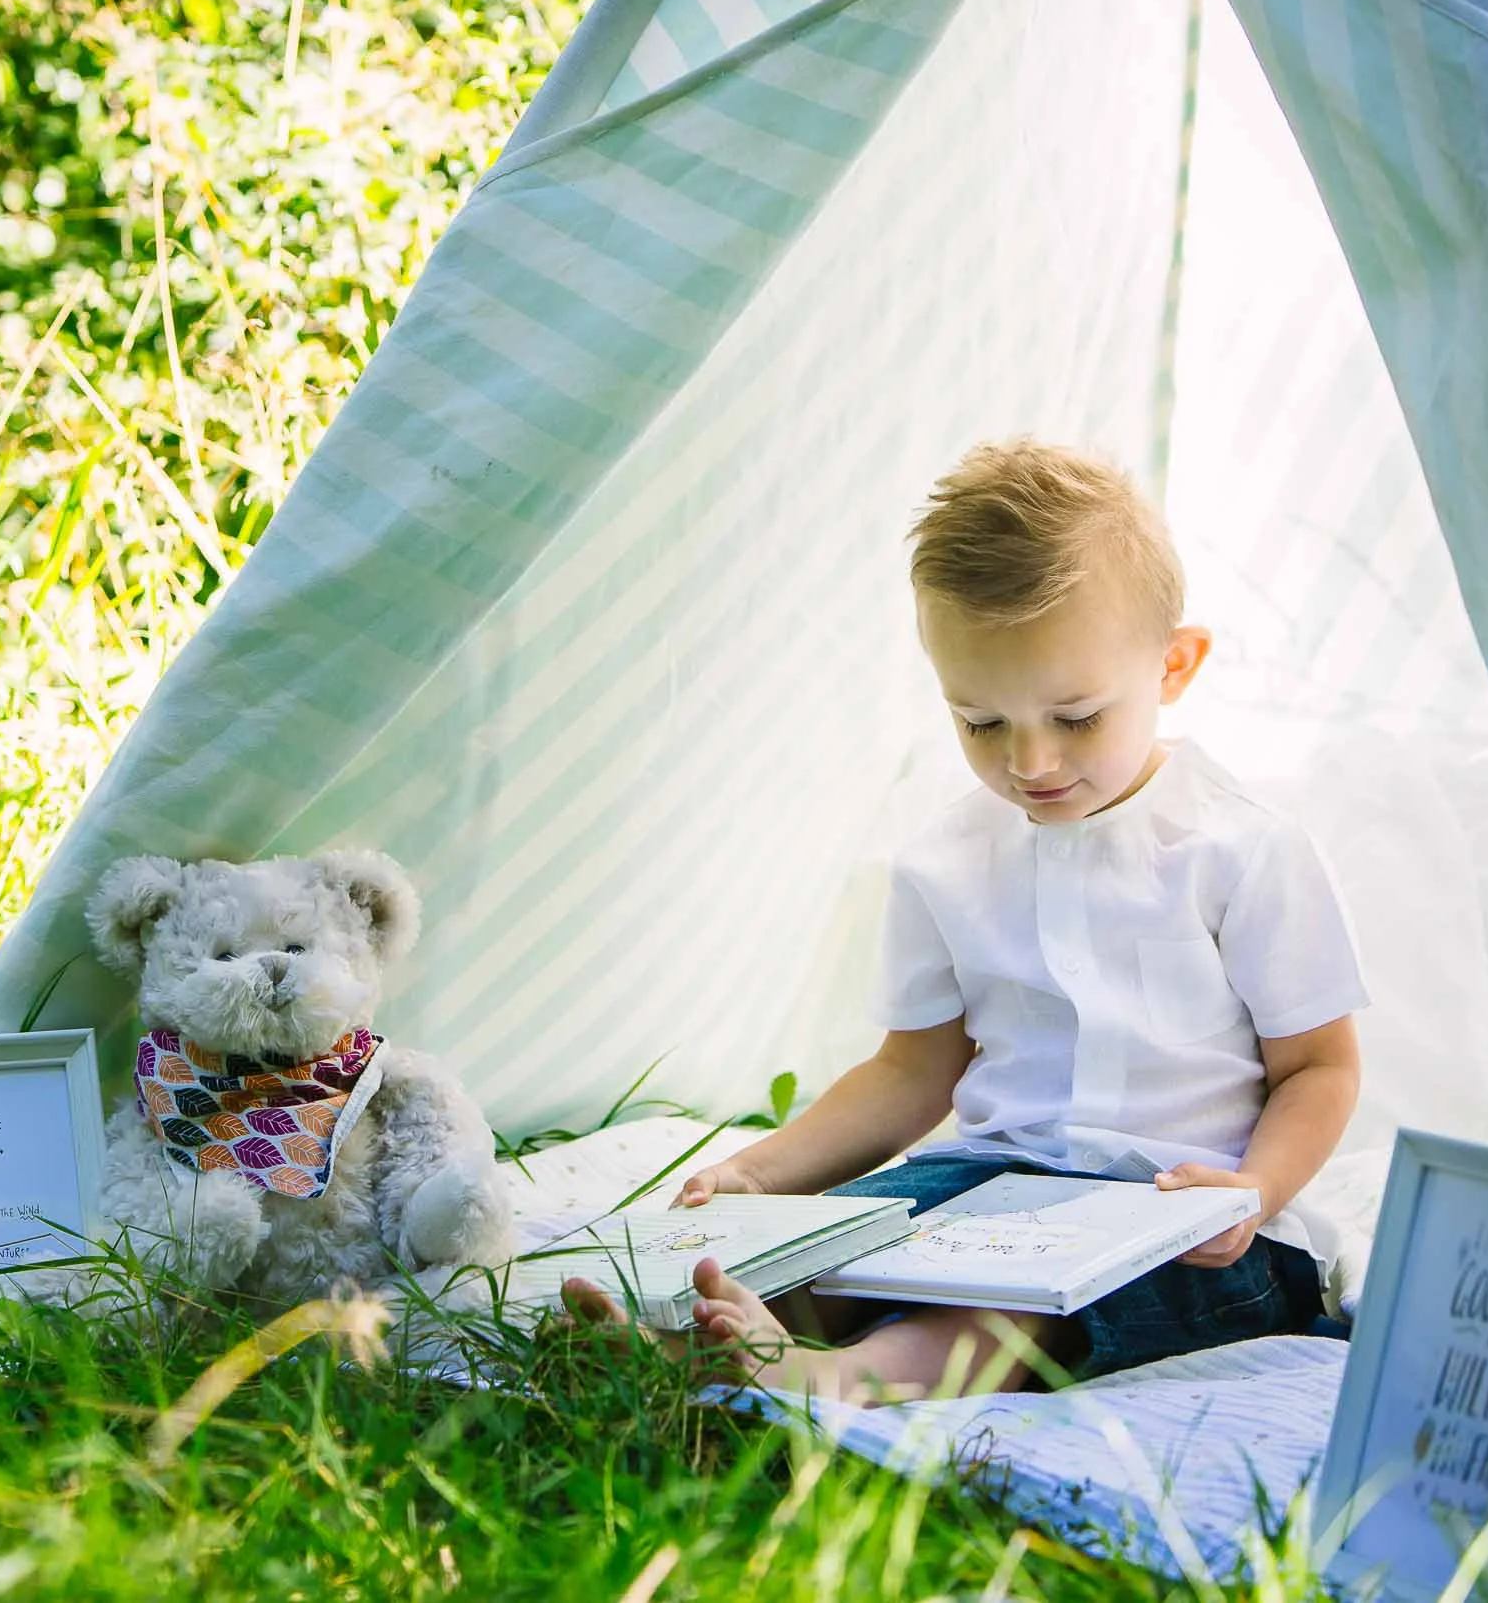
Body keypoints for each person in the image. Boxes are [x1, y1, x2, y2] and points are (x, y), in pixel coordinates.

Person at [562, 440, 1368, 1405]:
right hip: (986, 1183)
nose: (1030, 761)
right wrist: (759, 1174)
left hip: (1185, 1225)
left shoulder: (1242, 849)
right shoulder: (949, 856)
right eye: (981, 722)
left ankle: (842, 1381)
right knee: (836, 1244)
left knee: (1022, 1303)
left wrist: (1255, 1191)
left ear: (1175, 666)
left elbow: (1319, 1066)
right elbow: (913, 1069)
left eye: (1075, 717)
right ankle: (677, 1346)